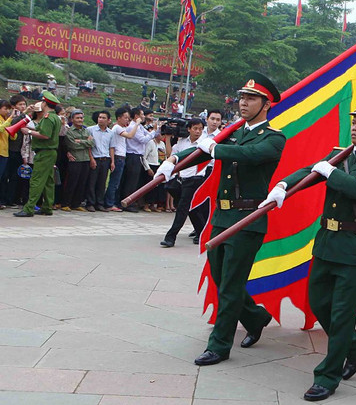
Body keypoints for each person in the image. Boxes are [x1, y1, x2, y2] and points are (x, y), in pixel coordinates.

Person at [261, 91, 356, 402]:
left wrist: (331, 172)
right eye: (354, 122)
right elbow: (310, 170)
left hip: (355, 247)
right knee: (319, 303)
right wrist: (283, 185)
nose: (355, 127)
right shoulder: (339, 155)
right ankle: (355, 344)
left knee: (343, 313)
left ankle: (327, 376)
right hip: (327, 242)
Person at [158, 72, 286, 367]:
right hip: (223, 215)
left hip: (247, 218)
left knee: (230, 284)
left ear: (266, 104)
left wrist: (215, 148)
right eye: (242, 97)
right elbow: (202, 150)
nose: (243, 103)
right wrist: (173, 161)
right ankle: (255, 317)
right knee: (220, 277)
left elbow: (248, 154)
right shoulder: (234, 132)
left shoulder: (273, 137)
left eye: (251, 98)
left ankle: (219, 345)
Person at [160, 118, 206, 247]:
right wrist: (168, 138)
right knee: (193, 209)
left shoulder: (204, 143)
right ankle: (202, 233)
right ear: (189, 129)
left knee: (182, 208)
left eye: (200, 129)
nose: (198, 131)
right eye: (195, 128)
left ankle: (170, 237)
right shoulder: (182, 142)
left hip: (197, 179)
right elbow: (171, 156)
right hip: (182, 180)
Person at [14, 92, 61, 217]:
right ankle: (47, 207)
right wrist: (32, 130)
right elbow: (44, 131)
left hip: (44, 152)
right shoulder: (55, 117)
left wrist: (28, 131)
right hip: (50, 152)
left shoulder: (47, 118)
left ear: (45, 103)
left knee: (36, 180)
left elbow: (45, 135)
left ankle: (29, 208)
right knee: (48, 181)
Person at [118, 107, 161, 212]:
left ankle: (131, 201)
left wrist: (157, 129)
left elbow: (149, 135)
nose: (143, 116)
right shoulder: (134, 127)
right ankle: (127, 202)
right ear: (136, 116)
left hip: (138, 156)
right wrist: (153, 131)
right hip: (133, 155)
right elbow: (144, 140)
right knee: (131, 180)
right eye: (142, 114)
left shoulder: (140, 127)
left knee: (135, 180)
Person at [62, 110, 95, 212]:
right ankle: (65, 203)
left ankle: (76, 204)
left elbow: (92, 143)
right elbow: (73, 145)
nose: (80, 120)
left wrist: (80, 141)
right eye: (77, 118)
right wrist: (86, 142)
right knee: (72, 182)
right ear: (72, 119)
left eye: (81, 118)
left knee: (82, 182)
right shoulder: (70, 132)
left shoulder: (86, 131)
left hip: (85, 159)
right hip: (75, 159)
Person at [85, 111, 113, 211]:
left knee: (102, 182)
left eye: (103, 118)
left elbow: (111, 147)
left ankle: (99, 203)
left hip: (105, 159)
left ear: (108, 120)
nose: (101, 119)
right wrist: (91, 158)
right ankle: (90, 203)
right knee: (92, 182)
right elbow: (88, 146)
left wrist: (112, 161)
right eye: (100, 117)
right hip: (95, 158)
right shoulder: (90, 130)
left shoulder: (110, 133)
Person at [105, 107, 130, 211]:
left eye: (128, 118)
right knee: (114, 182)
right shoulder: (117, 128)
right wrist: (137, 124)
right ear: (119, 118)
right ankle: (109, 203)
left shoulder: (120, 127)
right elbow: (130, 136)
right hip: (118, 156)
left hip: (121, 156)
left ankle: (112, 202)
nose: (127, 120)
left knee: (116, 182)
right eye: (125, 118)